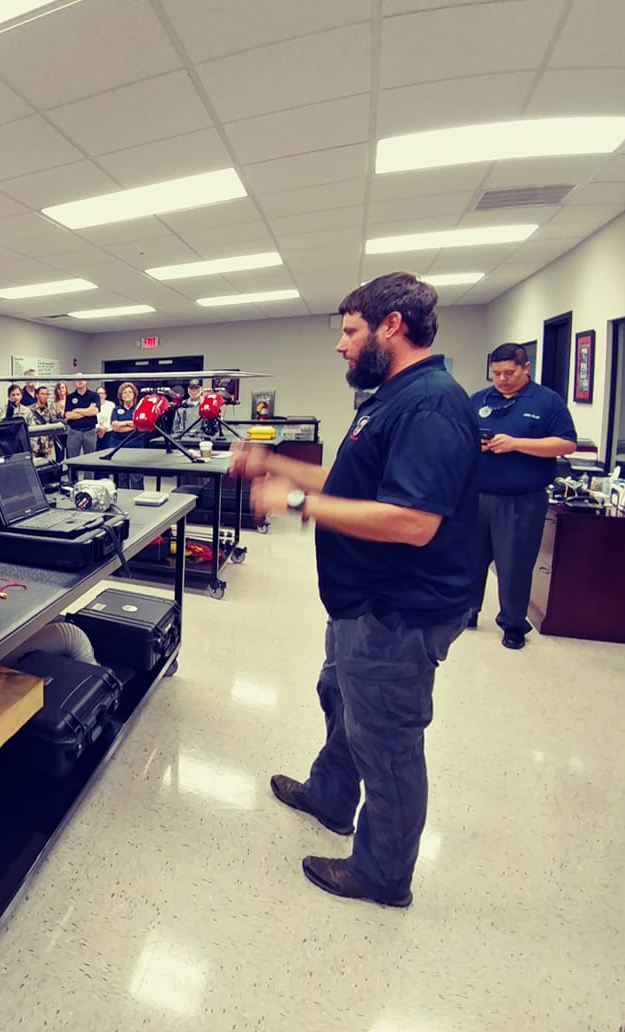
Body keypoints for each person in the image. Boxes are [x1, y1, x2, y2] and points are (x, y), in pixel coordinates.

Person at [230, 271, 478, 908]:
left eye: (350, 330)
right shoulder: (393, 397)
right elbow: (346, 481)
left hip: (397, 610)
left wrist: (291, 501)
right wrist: (274, 461)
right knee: (340, 697)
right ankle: (332, 795)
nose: (341, 345)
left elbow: (412, 521)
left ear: (391, 325)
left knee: (387, 741)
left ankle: (383, 875)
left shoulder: (430, 404)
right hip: (359, 602)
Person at [470, 343, 576, 649]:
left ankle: (514, 623)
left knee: (514, 564)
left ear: (525, 368)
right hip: (477, 495)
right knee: (469, 560)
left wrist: (517, 444)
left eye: (509, 372)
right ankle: (467, 611)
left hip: (521, 500)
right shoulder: (479, 399)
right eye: (496, 373)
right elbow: (459, 434)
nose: (502, 379)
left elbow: (566, 444)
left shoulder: (547, 401)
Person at [100, 381, 146, 490]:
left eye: (130, 392)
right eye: (124, 392)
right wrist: (132, 424)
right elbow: (115, 427)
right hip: (119, 447)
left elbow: (141, 426)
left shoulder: (140, 409)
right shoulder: (116, 409)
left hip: (136, 447)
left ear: (134, 394)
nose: (127, 394)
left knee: (136, 478)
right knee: (121, 478)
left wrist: (123, 423)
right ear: (121, 395)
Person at [63, 374, 99, 459]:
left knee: (90, 459)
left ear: (86, 381)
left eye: (82, 379)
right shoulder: (70, 397)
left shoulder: (94, 395)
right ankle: (72, 473)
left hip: (90, 431)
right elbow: (68, 415)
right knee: (72, 459)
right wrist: (87, 410)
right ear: (74, 382)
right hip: (74, 432)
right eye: (77, 379)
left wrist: (76, 410)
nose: (79, 381)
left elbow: (94, 411)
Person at [27, 384, 58, 461]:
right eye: (42, 394)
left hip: (46, 446)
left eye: (47, 394)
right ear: (37, 395)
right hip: (34, 445)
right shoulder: (29, 410)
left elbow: (52, 429)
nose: (45, 396)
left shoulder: (50, 411)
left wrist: (50, 446)